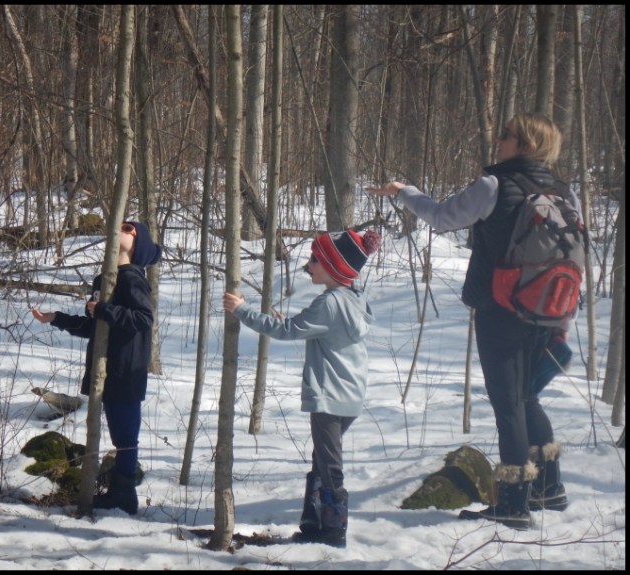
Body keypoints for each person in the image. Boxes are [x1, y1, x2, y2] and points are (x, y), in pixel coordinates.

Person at [367, 113, 576, 529]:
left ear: (526, 145)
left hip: (502, 307)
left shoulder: (496, 185)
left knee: (509, 404)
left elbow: (444, 217)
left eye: (507, 136)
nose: (498, 141)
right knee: (527, 397)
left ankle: (514, 503)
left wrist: (405, 191)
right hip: (551, 310)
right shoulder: (565, 191)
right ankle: (549, 486)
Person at [223, 228, 381, 548]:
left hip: (328, 396)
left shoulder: (329, 303)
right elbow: (318, 330)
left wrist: (240, 310)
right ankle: (314, 524)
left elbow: (285, 331)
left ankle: (332, 532)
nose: (308, 266)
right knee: (322, 460)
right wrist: (294, 323)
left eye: (314, 260)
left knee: (329, 465)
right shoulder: (354, 299)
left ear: (334, 268)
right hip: (350, 396)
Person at [32, 221, 163, 515]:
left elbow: (143, 319)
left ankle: (124, 495)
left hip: (127, 372)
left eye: (128, 227)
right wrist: (56, 318)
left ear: (136, 242)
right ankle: (119, 492)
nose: (120, 228)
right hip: (106, 371)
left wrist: (104, 309)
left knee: (125, 438)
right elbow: (95, 328)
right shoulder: (104, 280)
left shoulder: (132, 278)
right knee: (120, 435)